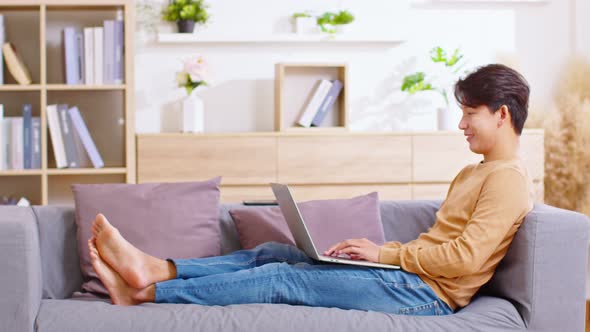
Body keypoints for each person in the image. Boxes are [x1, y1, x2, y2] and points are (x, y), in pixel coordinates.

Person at [88, 63, 533, 315]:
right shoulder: (473, 173)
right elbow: (441, 244)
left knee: (283, 278)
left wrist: (386, 254)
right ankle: (157, 269)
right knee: (274, 253)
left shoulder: (507, 180)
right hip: (410, 275)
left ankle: (144, 293)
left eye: (470, 113)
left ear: (502, 115)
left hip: (427, 296)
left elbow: (465, 259)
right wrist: (384, 253)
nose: (461, 124)